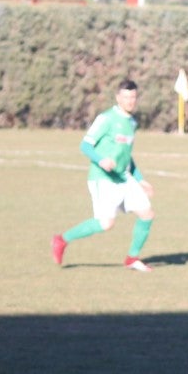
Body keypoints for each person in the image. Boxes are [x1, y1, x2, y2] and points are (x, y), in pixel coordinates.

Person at [51, 79, 156, 272]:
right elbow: (85, 145)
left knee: (147, 214)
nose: (130, 101)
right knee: (106, 223)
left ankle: (132, 259)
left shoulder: (132, 122)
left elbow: (126, 156)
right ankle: (61, 240)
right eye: (126, 97)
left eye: (133, 97)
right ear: (118, 98)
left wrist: (141, 180)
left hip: (123, 177)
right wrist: (101, 160)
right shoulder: (106, 118)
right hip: (103, 178)